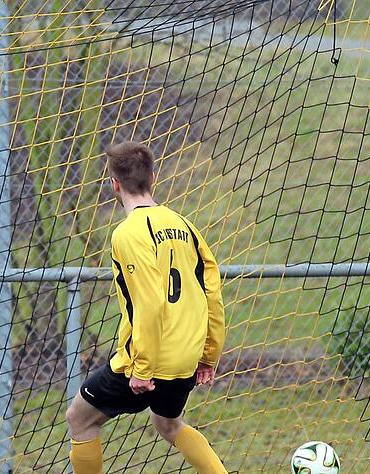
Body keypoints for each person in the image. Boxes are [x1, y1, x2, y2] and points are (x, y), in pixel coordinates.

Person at [65, 141, 227, 474]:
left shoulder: (127, 234)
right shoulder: (185, 226)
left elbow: (150, 304)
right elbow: (212, 290)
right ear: (153, 177)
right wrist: (209, 355)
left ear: (114, 184)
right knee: (169, 425)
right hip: (185, 357)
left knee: (79, 419)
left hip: (147, 361)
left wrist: (142, 366)